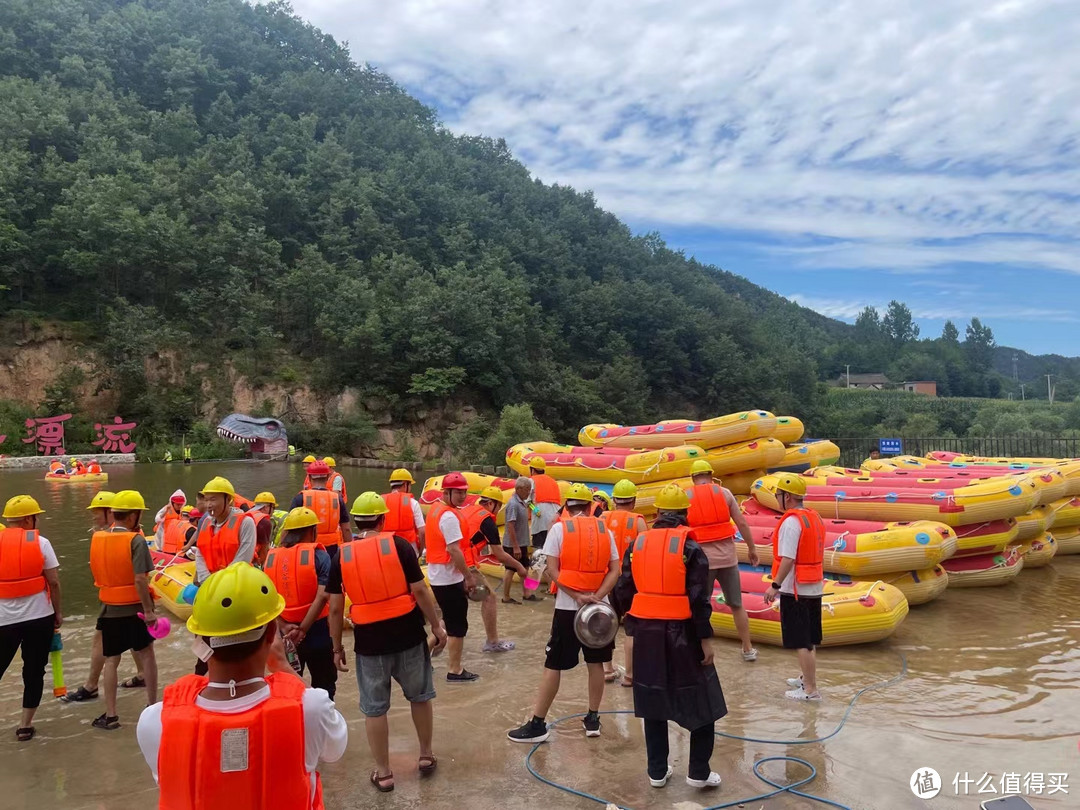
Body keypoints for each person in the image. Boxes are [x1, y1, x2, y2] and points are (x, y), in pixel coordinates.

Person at [137, 562, 347, 809]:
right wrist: (283, 665)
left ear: (199, 639)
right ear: (271, 635)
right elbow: (334, 751)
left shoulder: (154, 721)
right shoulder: (311, 708)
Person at [610, 483, 727, 789]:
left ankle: (657, 771)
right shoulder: (690, 548)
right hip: (682, 633)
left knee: (652, 697)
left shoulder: (638, 544)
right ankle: (698, 772)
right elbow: (700, 598)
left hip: (646, 633)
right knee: (703, 700)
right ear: (685, 515)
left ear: (658, 513)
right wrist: (705, 639)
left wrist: (628, 621)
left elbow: (623, 588)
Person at [328, 492, 446, 792]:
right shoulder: (399, 545)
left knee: (375, 708)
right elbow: (420, 590)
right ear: (382, 519)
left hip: (369, 643)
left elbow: (336, 608)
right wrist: (437, 625)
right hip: (408, 635)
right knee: (419, 697)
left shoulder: (341, 555)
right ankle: (426, 755)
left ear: (355, 521)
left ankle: (384, 773)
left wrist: (337, 647)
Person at [507, 483, 621, 743]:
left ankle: (537, 723)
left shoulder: (559, 528)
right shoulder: (606, 530)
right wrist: (597, 597)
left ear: (567, 505)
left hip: (569, 609)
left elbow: (551, 571)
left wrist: (579, 597)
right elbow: (615, 570)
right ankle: (593, 719)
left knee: (553, 664)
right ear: (591, 506)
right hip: (600, 611)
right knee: (596, 664)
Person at [65, 492, 146, 703]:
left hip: (119, 601)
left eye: (96, 512)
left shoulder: (124, 536)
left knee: (100, 641)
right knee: (133, 640)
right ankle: (143, 673)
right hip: (116, 599)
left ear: (110, 512)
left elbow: (137, 575)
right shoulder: (113, 534)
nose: (93, 516)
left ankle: (91, 686)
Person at [90, 489, 159, 730]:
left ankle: (111, 715)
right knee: (147, 654)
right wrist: (149, 612)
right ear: (132, 517)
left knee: (111, 660)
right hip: (135, 610)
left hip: (109, 609)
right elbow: (140, 579)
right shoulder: (136, 540)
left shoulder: (98, 538)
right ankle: (152, 706)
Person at [0, 495, 63, 742]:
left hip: (3, 620)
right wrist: (58, 613)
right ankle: (24, 726)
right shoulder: (41, 543)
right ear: (28, 519)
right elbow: (54, 582)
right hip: (39, 618)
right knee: (34, 671)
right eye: (36, 516)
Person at [685, 459, 760, 662]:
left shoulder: (686, 496)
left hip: (702, 562)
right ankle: (747, 648)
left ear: (693, 478)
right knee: (737, 604)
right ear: (711, 475)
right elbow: (741, 522)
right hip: (728, 559)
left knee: (701, 605)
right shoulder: (724, 493)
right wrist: (752, 548)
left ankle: (700, 647)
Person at [762, 474, 825, 701]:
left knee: (802, 641)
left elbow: (788, 559)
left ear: (787, 496)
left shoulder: (791, 522)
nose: (777, 498)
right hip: (813, 585)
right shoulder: (813, 516)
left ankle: (810, 689)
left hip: (796, 588)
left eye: (778, 494)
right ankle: (805, 678)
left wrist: (774, 586)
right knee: (808, 639)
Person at [264, 508, 336, 700]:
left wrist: (283, 624)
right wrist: (303, 629)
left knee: (289, 686)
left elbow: (266, 599)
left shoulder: (270, 558)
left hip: (284, 633)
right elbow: (323, 596)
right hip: (316, 631)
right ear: (311, 531)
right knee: (325, 685)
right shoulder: (320, 556)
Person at [424, 472, 483, 682]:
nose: (462, 496)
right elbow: (454, 550)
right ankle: (455, 670)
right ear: (447, 492)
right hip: (448, 578)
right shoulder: (448, 516)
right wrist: (468, 577)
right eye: (458, 492)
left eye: (465, 492)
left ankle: (423, 660)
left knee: (447, 621)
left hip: (439, 576)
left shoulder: (437, 509)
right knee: (458, 626)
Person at [467, 487, 531, 651]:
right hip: (468, 563)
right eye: (497, 506)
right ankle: (493, 642)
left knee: (454, 608)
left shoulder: (469, 510)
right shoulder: (490, 519)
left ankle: (434, 640)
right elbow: (501, 552)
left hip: (455, 562)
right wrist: (518, 560)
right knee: (491, 594)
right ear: (490, 503)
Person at [603, 479, 648, 685]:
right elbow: (647, 551)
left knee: (606, 624)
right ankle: (630, 676)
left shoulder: (600, 518)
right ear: (634, 501)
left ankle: (607, 670)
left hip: (605, 578)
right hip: (630, 579)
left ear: (613, 500)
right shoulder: (638, 521)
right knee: (631, 627)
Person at [194, 477, 256, 584]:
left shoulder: (246, 523)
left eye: (213, 499)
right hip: (210, 583)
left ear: (228, 499)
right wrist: (206, 579)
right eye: (206, 500)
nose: (208, 505)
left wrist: (220, 582)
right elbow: (200, 553)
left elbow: (243, 559)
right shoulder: (206, 523)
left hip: (237, 583)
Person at [290, 461, 350, 548]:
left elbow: (289, 528)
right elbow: (346, 529)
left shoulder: (300, 498)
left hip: (307, 549)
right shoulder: (337, 499)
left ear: (309, 477)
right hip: (332, 548)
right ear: (328, 477)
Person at [501, 477, 539, 603]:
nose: (528, 492)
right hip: (513, 544)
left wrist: (537, 510)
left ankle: (527, 594)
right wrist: (515, 546)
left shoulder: (522, 502)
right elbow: (510, 525)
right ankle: (505, 597)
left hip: (522, 542)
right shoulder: (513, 504)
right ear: (518, 489)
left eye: (529, 489)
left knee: (525, 568)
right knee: (510, 570)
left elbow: (534, 509)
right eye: (526, 489)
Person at [382, 468, 425, 556]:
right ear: (405, 484)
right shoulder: (413, 503)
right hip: (409, 551)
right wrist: (420, 551)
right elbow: (422, 532)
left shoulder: (380, 501)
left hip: (386, 550)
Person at [527, 457, 562, 552]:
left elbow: (527, 501)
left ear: (532, 470)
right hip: (555, 518)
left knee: (539, 550)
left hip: (540, 519)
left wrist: (534, 509)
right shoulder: (553, 481)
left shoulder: (531, 481)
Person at [249, 491, 278, 566]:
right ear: (266, 507)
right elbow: (263, 551)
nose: (274, 511)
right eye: (273, 508)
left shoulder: (247, 514)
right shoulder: (264, 522)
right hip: (251, 560)